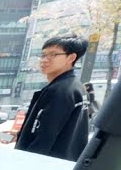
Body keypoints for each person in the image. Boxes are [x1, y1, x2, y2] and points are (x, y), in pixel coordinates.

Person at [14, 34, 91, 162]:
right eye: (44, 55)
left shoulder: (59, 91)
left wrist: (23, 163)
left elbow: (45, 137)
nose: (44, 60)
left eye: (53, 55)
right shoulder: (77, 88)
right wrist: (22, 134)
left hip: (43, 167)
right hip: (64, 164)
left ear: (71, 57)